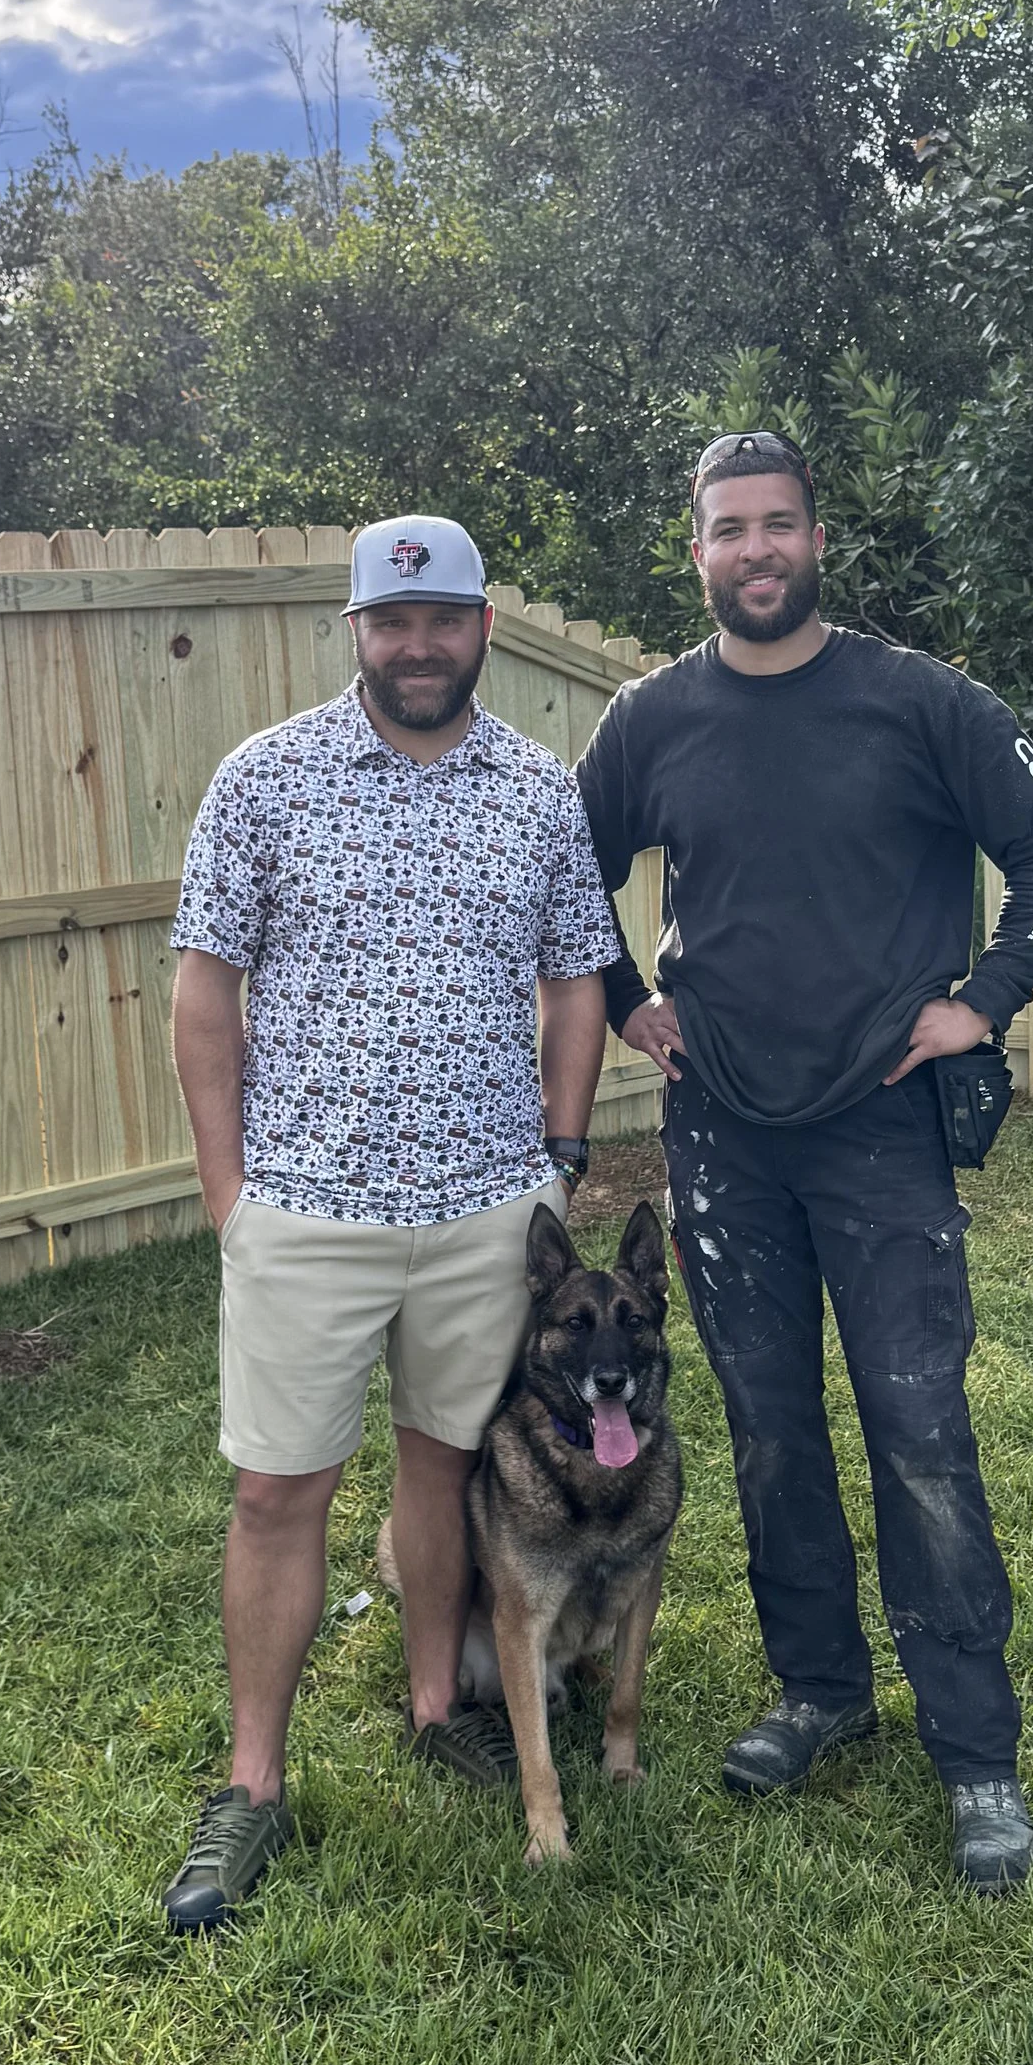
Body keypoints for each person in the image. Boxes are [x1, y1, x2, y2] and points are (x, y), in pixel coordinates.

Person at [575, 432, 1033, 1892]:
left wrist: (984, 1000)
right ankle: (817, 1690)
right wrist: (627, 1001)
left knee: (920, 1433)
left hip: (883, 1126)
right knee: (766, 1427)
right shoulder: (649, 722)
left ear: (818, 539)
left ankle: (977, 1755)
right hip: (722, 1133)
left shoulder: (918, 703)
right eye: (729, 530)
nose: (756, 551)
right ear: (696, 552)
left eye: (779, 526)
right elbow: (568, 876)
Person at [162, 514, 623, 1931]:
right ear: (354, 631)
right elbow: (202, 996)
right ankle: (251, 1785)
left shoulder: (541, 795)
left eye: (444, 621)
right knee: (276, 1491)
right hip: (310, 1208)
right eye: (391, 622)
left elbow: (578, 981)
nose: (418, 646)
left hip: (490, 1213)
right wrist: (230, 1196)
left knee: (442, 1476)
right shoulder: (266, 783)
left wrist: (556, 1156)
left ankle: (439, 1706)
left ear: (484, 626)